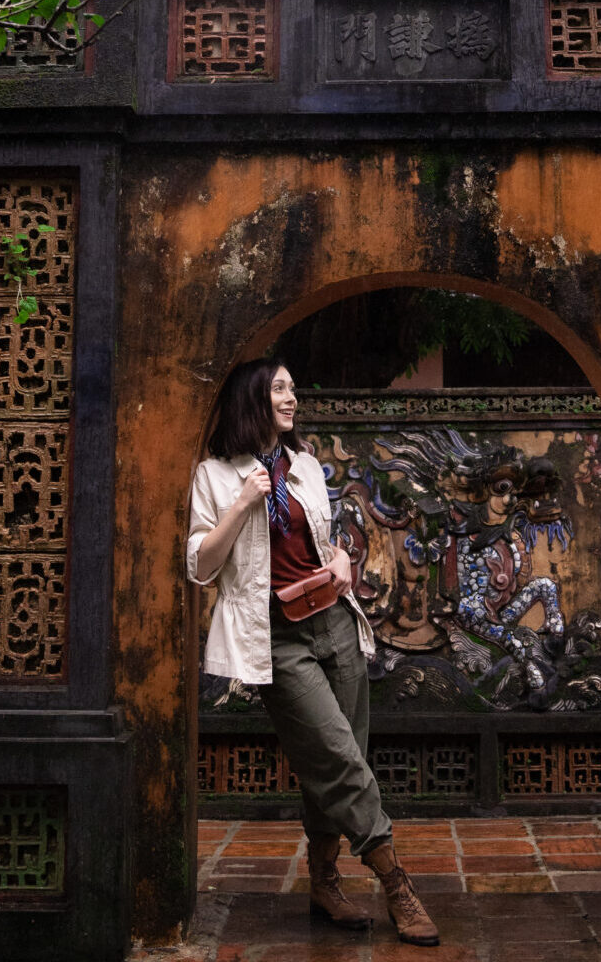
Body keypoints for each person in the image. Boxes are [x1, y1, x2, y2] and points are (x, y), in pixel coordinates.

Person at [186, 358, 440, 947]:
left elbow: (321, 540)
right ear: (254, 398)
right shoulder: (217, 475)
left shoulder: (301, 463)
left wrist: (344, 558)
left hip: (333, 620)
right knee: (338, 758)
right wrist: (243, 504)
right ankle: (396, 882)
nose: (292, 398)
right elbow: (201, 565)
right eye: (280, 389)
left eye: (294, 388)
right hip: (274, 638)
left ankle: (325, 883)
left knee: (339, 756)